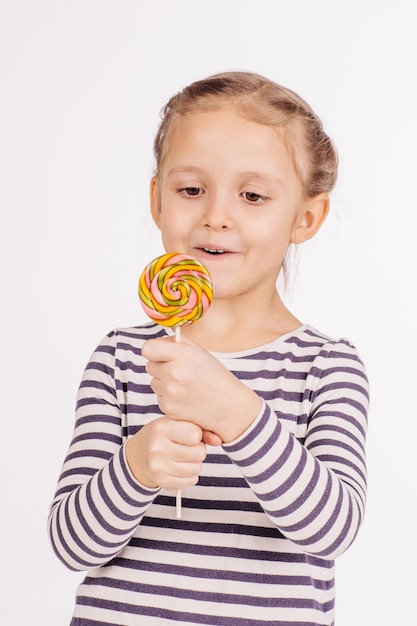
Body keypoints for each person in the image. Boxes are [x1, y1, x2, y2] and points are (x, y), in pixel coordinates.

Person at [48, 71, 369, 626]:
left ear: (306, 217)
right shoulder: (123, 359)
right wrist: (136, 466)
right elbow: (72, 545)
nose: (216, 215)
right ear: (157, 199)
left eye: (252, 195)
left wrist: (239, 413)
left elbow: (332, 529)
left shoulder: (325, 367)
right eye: (191, 189)